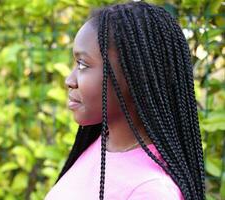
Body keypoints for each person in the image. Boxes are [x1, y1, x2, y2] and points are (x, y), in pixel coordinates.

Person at [45, 1, 205, 199]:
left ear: (136, 76)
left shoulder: (151, 191)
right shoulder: (103, 145)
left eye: (83, 65)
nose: (70, 80)